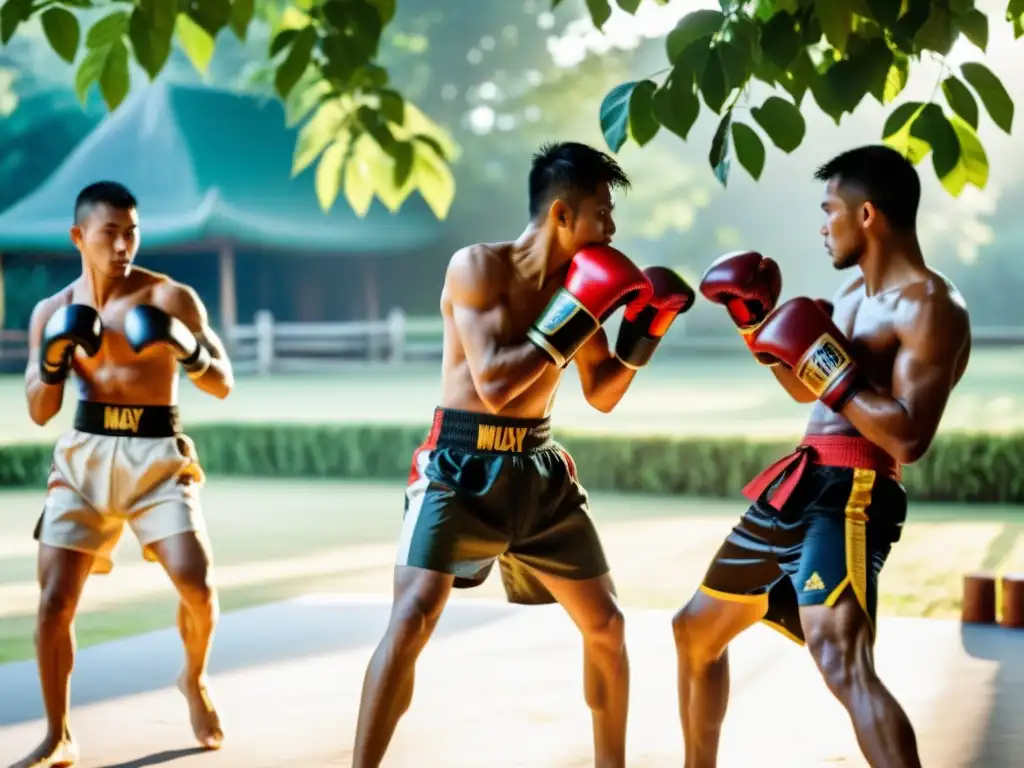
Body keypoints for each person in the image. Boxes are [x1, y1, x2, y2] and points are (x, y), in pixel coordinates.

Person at [350, 141, 695, 767]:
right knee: (412, 617)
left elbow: (602, 393)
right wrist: (581, 311)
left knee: (608, 627)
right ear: (562, 214)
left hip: (538, 468)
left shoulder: (577, 286)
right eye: (601, 213)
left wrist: (649, 331)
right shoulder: (477, 267)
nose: (612, 230)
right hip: (460, 463)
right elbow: (498, 386)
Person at [676, 145, 972, 768]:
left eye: (829, 209)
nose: (822, 225)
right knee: (694, 630)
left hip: (855, 491)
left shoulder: (931, 306)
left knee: (842, 660)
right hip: (798, 480)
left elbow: (908, 437)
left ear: (866, 215)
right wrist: (757, 327)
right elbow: (809, 384)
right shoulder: (848, 293)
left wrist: (824, 364)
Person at [15, 181, 234, 768]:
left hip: (156, 454)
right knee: (54, 601)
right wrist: (56, 357)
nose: (122, 245)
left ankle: (193, 678)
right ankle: (58, 734)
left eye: (131, 231)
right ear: (79, 237)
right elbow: (39, 410)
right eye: (109, 233)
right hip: (85, 455)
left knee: (197, 581)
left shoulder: (170, 298)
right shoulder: (52, 313)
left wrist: (188, 351)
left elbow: (221, 384)